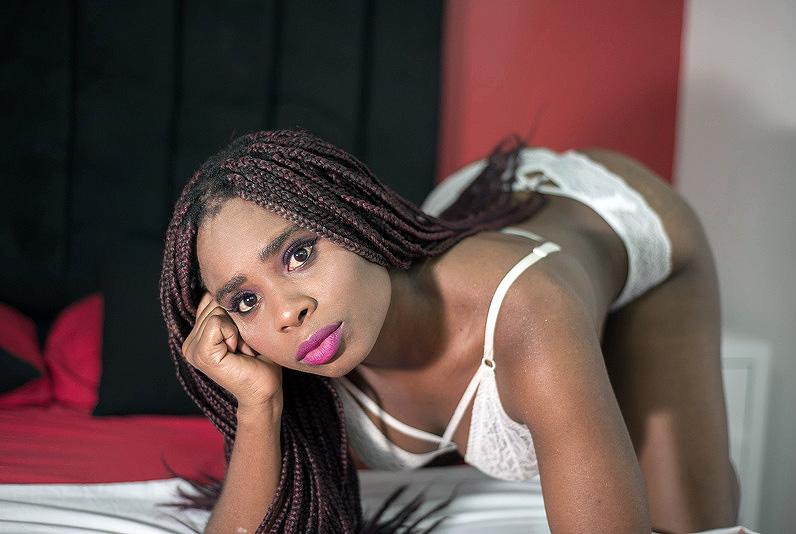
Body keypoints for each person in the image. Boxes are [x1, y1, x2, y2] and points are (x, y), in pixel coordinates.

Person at [160, 129, 740, 533]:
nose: (287, 313)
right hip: (464, 234)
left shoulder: (528, 311)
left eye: (298, 254)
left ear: (351, 219)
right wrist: (258, 408)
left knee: (692, 524)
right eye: (246, 299)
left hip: (615, 214)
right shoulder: (290, 352)